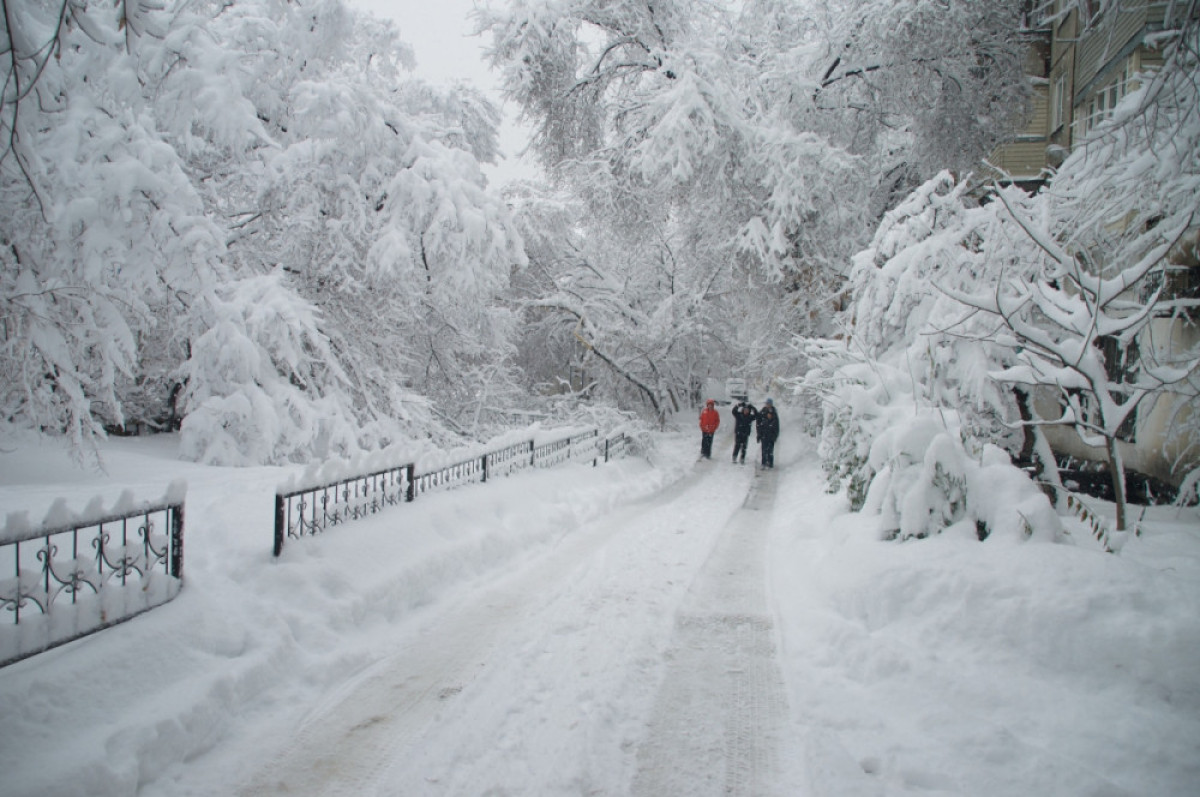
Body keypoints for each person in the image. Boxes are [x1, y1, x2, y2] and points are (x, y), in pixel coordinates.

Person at [730, 398, 758, 464]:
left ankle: (742, 458)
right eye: (745, 410)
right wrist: (738, 405)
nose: (746, 411)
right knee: (737, 446)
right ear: (743, 410)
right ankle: (734, 457)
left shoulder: (750, 417)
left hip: (745, 434)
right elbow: (733, 411)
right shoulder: (739, 415)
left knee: (744, 447)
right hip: (738, 433)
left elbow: (757, 415)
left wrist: (753, 408)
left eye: (747, 410)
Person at [756, 398, 779, 468]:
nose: (768, 405)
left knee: (770, 451)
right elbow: (758, 424)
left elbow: (776, 426)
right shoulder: (762, 412)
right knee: (764, 450)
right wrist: (759, 434)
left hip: (771, 436)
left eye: (769, 404)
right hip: (764, 435)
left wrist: (775, 436)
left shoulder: (774, 413)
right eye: (767, 404)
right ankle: (764, 463)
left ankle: (770, 462)